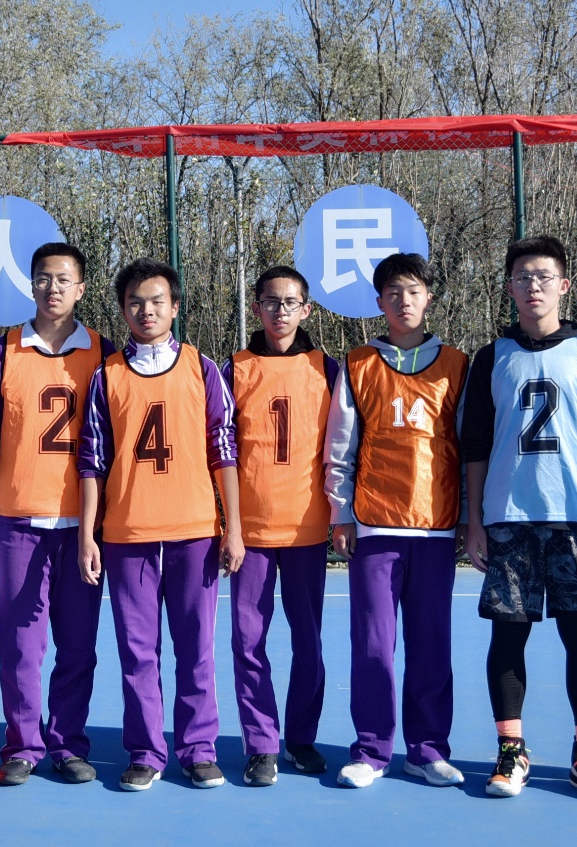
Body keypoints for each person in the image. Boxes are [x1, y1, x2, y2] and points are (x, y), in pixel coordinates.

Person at [462, 236, 577, 800]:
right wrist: (475, 520)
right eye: (523, 277)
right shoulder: (491, 357)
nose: (533, 286)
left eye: (543, 276)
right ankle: (511, 751)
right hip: (509, 517)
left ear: (564, 285)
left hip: (576, 517)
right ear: (509, 287)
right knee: (509, 636)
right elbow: (476, 446)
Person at [78, 257, 245, 791]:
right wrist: (88, 533)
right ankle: (146, 751)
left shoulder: (202, 368)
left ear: (174, 307)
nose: (146, 311)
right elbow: (92, 460)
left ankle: (198, 749)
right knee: (137, 652)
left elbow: (224, 450)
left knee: (196, 650)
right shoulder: (107, 374)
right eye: (135, 302)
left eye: (156, 301)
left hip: (195, 532)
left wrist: (234, 527)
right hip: (128, 535)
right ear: (122, 310)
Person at [324, 252, 467, 790]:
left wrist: (468, 518)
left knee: (431, 645)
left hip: (435, 526)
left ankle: (427, 750)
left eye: (413, 291)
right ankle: (372, 749)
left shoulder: (457, 364)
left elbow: (467, 448)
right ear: (379, 302)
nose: (404, 301)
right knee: (373, 646)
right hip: (376, 525)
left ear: (428, 297)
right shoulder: (359, 363)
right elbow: (341, 446)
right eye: (393, 293)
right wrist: (341, 512)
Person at [0, 242, 115, 786]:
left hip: (83, 526)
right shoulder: (2, 352)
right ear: (30, 284)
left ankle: (67, 743)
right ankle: (22, 745)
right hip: (20, 520)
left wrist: (105, 519)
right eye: (42, 278)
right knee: (20, 645)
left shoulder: (104, 353)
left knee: (78, 645)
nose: (52, 288)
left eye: (63, 279)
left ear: (81, 288)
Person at [221, 266, 337, 786]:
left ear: (306, 309)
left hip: (308, 529)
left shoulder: (326, 368)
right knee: (249, 642)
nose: (281, 311)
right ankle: (261, 744)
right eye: (271, 301)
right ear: (257, 307)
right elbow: (220, 450)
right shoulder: (234, 369)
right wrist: (229, 524)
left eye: (291, 303)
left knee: (308, 641)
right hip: (251, 533)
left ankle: (301, 738)